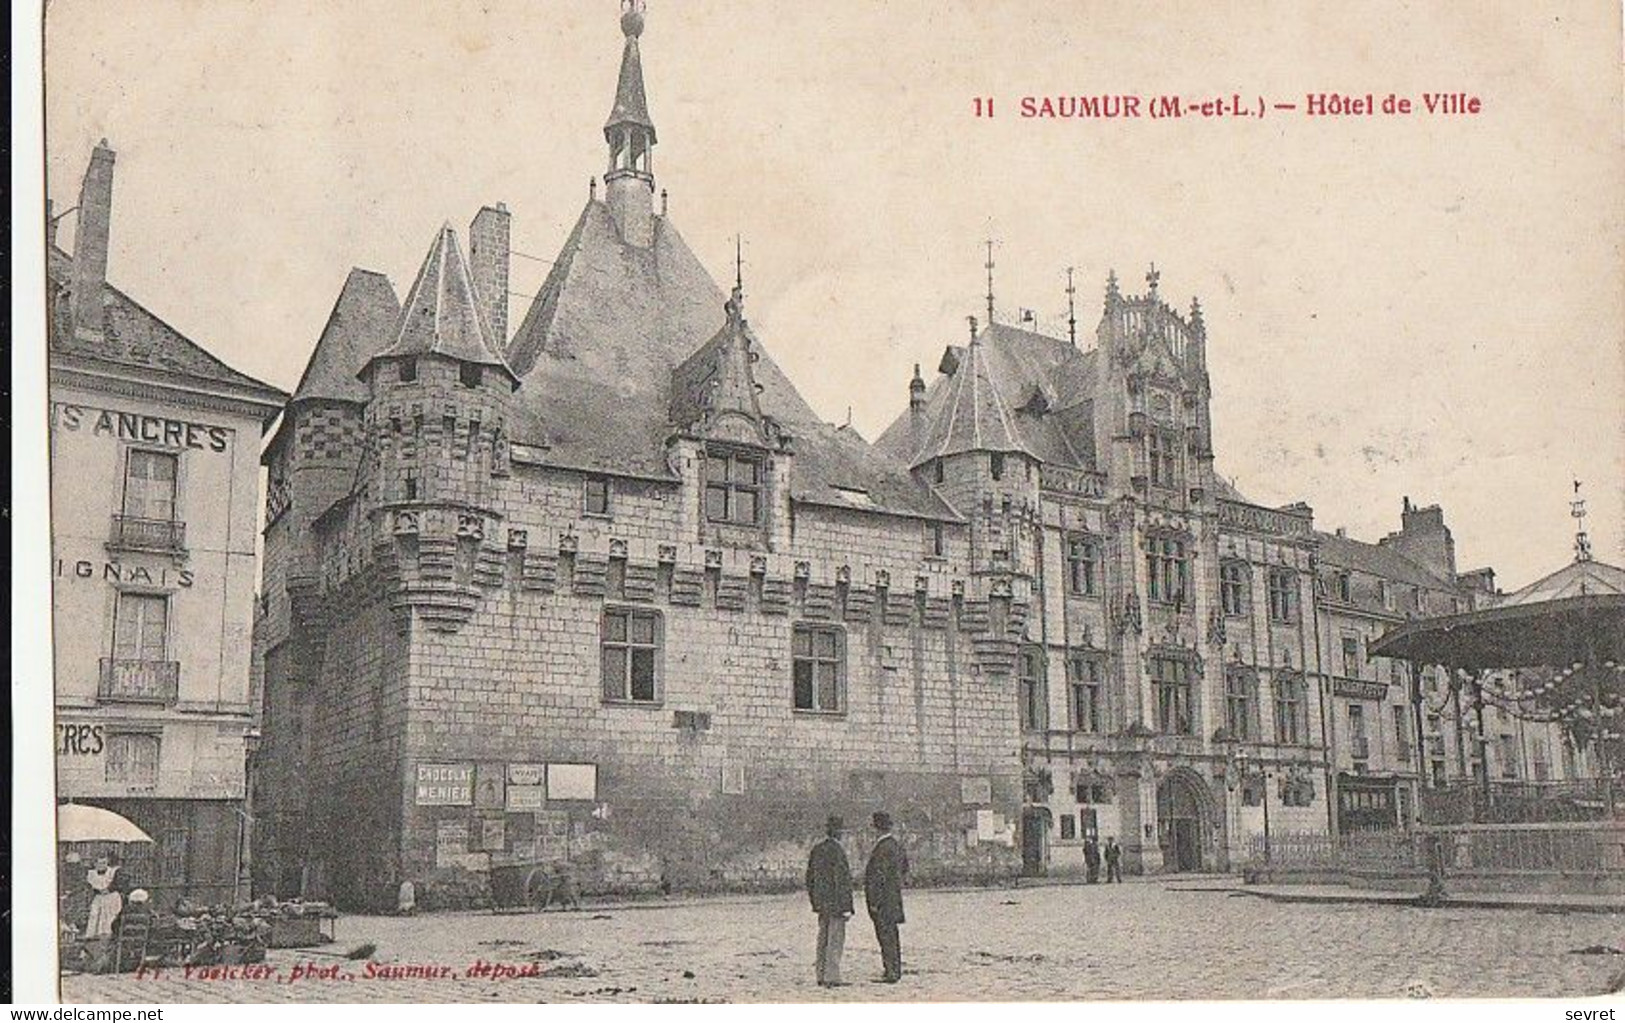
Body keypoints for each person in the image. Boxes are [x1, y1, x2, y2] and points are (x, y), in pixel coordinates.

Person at [805, 814, 854, 987]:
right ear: (839, 832)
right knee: (835, 940)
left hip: (821, 903)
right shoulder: (838, 851)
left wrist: (815, 901)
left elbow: (809, 878)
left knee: (823, 939)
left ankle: (820, 973)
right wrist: (847, 906)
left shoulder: (817, 849)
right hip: (837, 903)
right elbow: (842, 881)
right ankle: (832, 976)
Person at [863, 811, 908, 983]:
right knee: (892, 935)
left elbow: (877, 878)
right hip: (893, 898)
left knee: (885, 936)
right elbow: (904, 868)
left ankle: (891, 971)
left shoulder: (882, 848)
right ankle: (894, 969)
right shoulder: (896, 846)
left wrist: (874, 901)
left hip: (882, 902)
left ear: (877, 829)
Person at [84, 856, 124, 940]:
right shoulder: (91, 874)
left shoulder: (112, 872)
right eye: (100, 863)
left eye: (104, 863)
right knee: (95, 915)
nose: (102, 865)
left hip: (112, 897)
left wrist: (109, 889)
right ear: (95, 864)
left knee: (110, 917)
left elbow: (118, 884)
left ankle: (108, 938)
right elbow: (90, 886)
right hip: (99, 897)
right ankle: (94, 939)